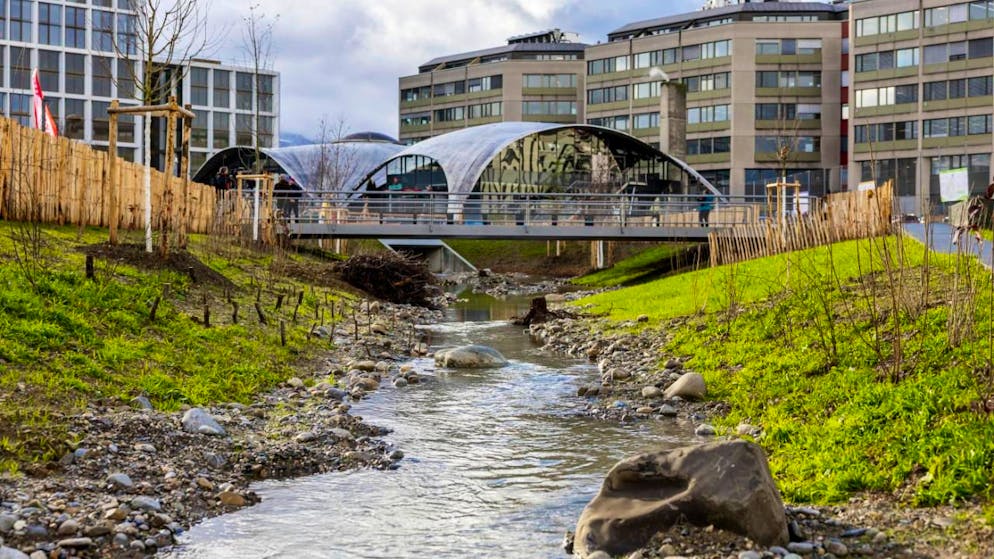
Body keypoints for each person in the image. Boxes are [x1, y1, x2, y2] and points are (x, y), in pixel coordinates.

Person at [952, 177, 994, 247]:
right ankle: (975, 235)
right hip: (979, 206)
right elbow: (987, 196)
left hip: (982, 207)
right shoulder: (991, 187)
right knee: (971, 221)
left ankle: (977, 235)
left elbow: (987, 197)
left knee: (973, 221)